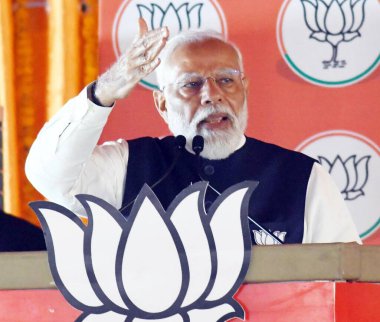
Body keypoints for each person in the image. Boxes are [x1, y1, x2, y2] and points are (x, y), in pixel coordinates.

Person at [25, 19, 360, 245]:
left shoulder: (301, 177)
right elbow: (51, 178)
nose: (212, 94)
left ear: (244, 89)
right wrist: (104, 91)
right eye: (191, 84)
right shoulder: (130, 165)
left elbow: (348, 281)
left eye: (226, 80)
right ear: (162, 104)